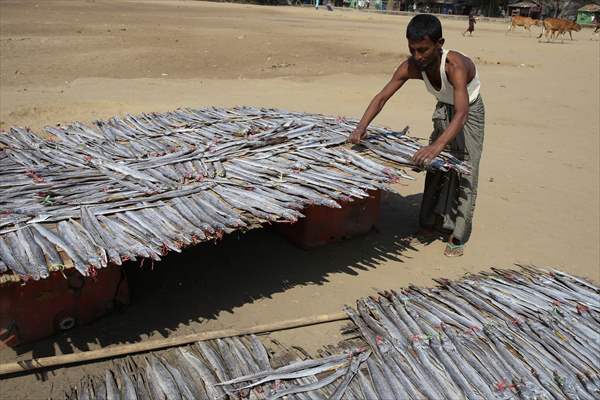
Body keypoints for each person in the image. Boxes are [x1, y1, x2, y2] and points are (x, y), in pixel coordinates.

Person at [348, 14, 485, 257]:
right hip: (444, 108)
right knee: (434, 168)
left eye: (423, 50)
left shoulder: (455, 66)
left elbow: (462, 113)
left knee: (466, 169)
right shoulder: (412, 65)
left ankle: (458, 234)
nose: (418, 56)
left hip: (469, 110)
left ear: (439, 43)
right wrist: (361, 127)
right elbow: (381, 97)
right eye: (413, 49)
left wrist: (437, 146)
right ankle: (428, 223)